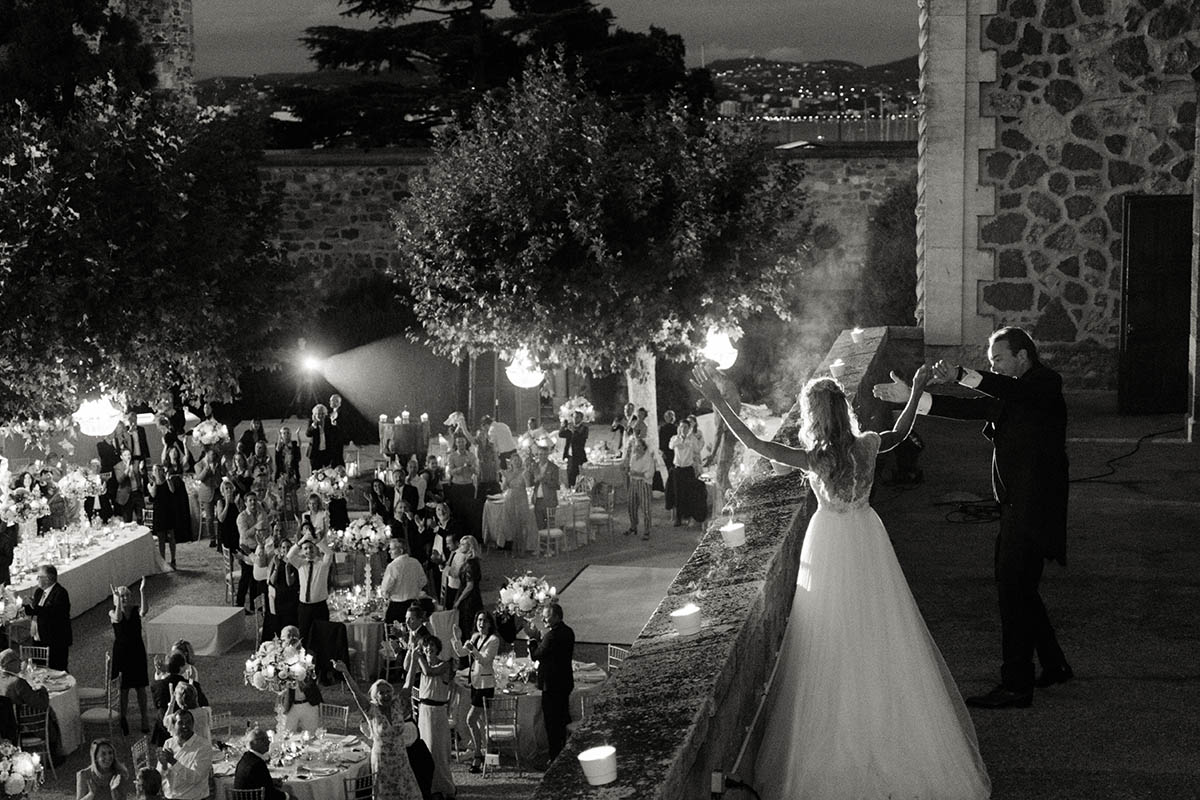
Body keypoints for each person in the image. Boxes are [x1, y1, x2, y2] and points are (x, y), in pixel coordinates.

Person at [694, 363, 990, 799]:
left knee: (829, 639)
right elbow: (902, 433)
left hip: (830, 541)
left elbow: (755, 443)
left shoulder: (817, 459)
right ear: (843, 411)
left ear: (814, 417)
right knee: (880, 632)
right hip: (868, 536)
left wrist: (719, 403)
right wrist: (917, 391)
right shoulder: (867, 447)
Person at [873, 326, 1071, 709]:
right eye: (990, 361)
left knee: (1013, 589)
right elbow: (971, 409)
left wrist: (965, 375)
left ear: (1023, 357)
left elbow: (1006, 392)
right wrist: (915, 398)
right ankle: (1054, 663)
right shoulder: (1012, 391)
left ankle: (1016, 684)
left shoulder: (1044, 383)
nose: (993, 366)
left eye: (998, 359)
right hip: (1018, 505)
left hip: (1034, 508)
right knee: (1020, 585)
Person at [330, 666, 423, 800]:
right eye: (381, 693)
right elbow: (356, 692)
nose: (386, 695)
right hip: (382, 761)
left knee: (407, 793)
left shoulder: (397, 705)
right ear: (375, 696)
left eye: (387, 691)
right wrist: (346, 672)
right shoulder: (371, 710)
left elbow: (408, 684)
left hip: (401, 759)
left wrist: (414, 658)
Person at [526, 602, 575, 761]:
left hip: (552, 686)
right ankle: (563, 751)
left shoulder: (551, 636)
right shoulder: (568, 632)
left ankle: (554, 757)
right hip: (565, 682)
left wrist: (533, 639)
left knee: (552, 723)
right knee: (562, 719)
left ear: (556, 617)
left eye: (546, 617)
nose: (544, 620)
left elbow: (536, 655)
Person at [413, 636, 455, 798]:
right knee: (425, 750)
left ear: (437, 648)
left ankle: (444, 786)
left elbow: (429, 672)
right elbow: (406, 667)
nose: (428, 648)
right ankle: (430, 787)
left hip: (436, 713)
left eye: (431, 645)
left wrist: (419, 657)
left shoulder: (444, 665)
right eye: (426, 646)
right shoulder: (423, 664)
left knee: (437, 750)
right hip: (423, 710)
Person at [110, 581, 151, 735]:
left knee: (141, 687)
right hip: (122, 653)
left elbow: (144, 610)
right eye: (122, 595)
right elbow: (119, 618)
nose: (125, 597)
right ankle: (123, 718)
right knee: (124, 689)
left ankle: (144, 717)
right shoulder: (112, 613)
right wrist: (118, 602)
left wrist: (142, 591)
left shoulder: (135, 610)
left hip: (136, 651)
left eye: (127, 595)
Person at [463, 611, 500, 773]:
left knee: (471, 719)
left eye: (484, 620)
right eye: (479, 620)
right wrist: (457, 639)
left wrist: (473, 650)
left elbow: (485, 661)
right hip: (475, 682)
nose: (481, 623)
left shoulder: (493, 640)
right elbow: (461, 653)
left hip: (485, 684)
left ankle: (478, 755)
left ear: (490, 624)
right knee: (481, 722)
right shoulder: (475, 636)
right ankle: (488, 754)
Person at [286, 531, 334, 647]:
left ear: (316, 549)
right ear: (303, 551)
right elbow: (289, 556)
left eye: (311, 547)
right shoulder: (300, 564)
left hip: (320, 607)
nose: (309, 551)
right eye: (306, 548)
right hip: (304, 607)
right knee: (304, 636)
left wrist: (317, 541)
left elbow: (329, 553)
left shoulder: (323, 564)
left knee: (322, 636)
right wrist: (301, 541)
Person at [156, 710, 211, 800]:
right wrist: (164, 765)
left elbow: (195, 777)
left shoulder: (203, 747)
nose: (185, 726)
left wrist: (173, 762)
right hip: (169, 797)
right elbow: (160, 775)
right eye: (180, 723)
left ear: (193, 724)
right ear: (174, 726)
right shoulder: (169, 743)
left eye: (188, 722)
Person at [24, 563, 71, 670]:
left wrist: (30, 609)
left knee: (57, 669)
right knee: (39, 668)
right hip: (38, 637)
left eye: (39, 577)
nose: (37, 579)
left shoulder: (60, 593)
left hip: (55, 640)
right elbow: (36, 609)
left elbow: (52, 612)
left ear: (48, 579)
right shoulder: (39, 592)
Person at [0, 648, 49, 745]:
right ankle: (57, 753)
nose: (20, 662)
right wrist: (43, 690)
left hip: (4, 725)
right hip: (24, 725)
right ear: (9, 664)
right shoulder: (18, 682)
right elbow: (41, 704)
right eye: (17, 659)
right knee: (54, 717)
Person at [667, 418, 707, 527]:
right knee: (677, 493)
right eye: (681, 427)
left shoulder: (692, 439)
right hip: (678, 469)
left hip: (688, 469)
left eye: (685, 427)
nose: (682, 429)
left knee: (689, 493)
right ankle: (678, 517)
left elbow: (697, 449)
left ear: (689, 428)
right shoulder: (674, 438)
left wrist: (692, 439)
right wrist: (681, 439)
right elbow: (671, 446)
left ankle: (688, 516)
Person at [233, 726, 289, 800]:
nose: (268, 742)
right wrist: (287, 796)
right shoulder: (257, 764)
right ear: (254, 743)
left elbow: (256, 782)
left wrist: (271, 781)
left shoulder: (245, 758)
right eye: (264, 739)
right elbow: (270, 794)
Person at [380, 538, 426, 625]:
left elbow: (385, 589)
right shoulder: (415, 562)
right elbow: (423, 581)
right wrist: (413, 589)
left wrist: (387, 595)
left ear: (400, 550)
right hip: (413, 607)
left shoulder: (393, 566)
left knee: (393, 635)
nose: (389, 552)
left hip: (397, 608)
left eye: (392, 549)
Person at [236, 493, 268, 614]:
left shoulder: (260, 513)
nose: (253, 503)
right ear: (245, 503)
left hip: (258, 547)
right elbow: (244, 534)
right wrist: (257, 526)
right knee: (246, 578)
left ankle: (255, 605)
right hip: (246, 547)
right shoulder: (242, 517)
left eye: (255, 500)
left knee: (256, 578)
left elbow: (266, 527)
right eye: (250, 501)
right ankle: (239, 606)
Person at [264, 534, 299, 643]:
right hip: (279, 598)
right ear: (280, 549)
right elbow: (272, 581)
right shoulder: (276, 562)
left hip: (291, 597)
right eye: (283, 547)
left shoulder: (295, 562)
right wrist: (277, 566)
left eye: (288, 547)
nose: (286, 549)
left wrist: (287, 567)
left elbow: (290, 583)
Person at [447, 535, 482, 641]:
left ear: (470, 546)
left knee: (467, 624)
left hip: (469, 599)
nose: (460, 546)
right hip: (470, 595)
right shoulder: (470, 561)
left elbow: (469, 586)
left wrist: (459, 600)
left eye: (463, 544)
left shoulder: (470, 564)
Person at [147, 466, 177, 568]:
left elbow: (173, 491)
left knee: (171, 536)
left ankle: (173, 559)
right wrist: (155, 482)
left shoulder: (167, 481)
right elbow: (153, 495)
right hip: (159, 513)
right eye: (155, 470)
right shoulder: (151, 484)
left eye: (159, 470)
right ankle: (163, 560)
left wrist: (168, 479)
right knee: (161, 538)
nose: (157, 472)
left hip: (168, 511)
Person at [626, 437, 655, 540]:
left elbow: (649, 474)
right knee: (631, 505)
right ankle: (633, 526)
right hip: (633, 483)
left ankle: (647, 530)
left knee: (645, 508)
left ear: (644, 447)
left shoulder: (648, 459)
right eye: (636, 446)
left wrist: (638, 474)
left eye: (639, 446)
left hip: (644, 484)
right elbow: (630, 470)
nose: (637, 448)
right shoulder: (633, 457)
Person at [526, 445, 560, 528]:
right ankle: (541, 540)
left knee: (550, 525)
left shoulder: (553, 468)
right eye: (540, 454)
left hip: (549, 499)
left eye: (544, 454)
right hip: (537, 500)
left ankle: (550, 539)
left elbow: (556, 485)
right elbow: (530, 483)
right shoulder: (535, 467)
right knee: (539, 525)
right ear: (537, 455)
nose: (542, 457)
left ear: (548, 455)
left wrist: (543, 479)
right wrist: (529, 475)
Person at [193, 449, 220, 548]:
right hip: (206, 493)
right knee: (209, 517)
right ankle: (212, 538)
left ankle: (220, 536)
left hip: (217, 491)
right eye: (212, 454)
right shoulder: (198, 465)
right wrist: (207, 469)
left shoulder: (217, 463)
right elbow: (200, 478)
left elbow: (220, 476)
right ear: (207, 454)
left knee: (221, 514)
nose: (214, 456)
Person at [558, 411, 588, 489]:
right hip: (570, 456)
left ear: (581, 419)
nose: (575, 419)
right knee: (569, 475)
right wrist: (563, 426)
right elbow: (561, 434)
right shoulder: (570, 428)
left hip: (578, 456)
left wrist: (573, 431)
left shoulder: (584, 428)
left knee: (578, 477)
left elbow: (579, 439)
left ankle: (578, 491)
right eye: (574, 417)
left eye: (577, 417)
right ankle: (571, 489)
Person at [654, 410, 677, 493]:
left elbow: (661, 443)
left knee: (669, 471)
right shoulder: (676, 428)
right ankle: (673, 488)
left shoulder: (663, 428)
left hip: (667, 453)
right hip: (673, 452)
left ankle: (670, 488)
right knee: (674, 471)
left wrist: (662, 453)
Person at [306, 404, 331, 472]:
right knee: (315, 474)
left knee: (327, 473)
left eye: (322, 414)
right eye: (318, 414)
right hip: (315, 452)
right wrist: (313, 426)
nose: (320, 416)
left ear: (325, 414)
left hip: (326, 452)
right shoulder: (312, 422)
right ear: (315, 414)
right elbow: (308, 434)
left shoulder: (328, 421)